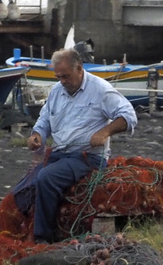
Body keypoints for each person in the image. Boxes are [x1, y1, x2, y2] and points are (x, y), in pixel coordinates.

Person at [21, 47, 136, 242]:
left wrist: (104, 132)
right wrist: (37, 134)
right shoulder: (58, 90)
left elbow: (129, 116)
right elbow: (45, 119)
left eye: (65, 76)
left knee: (46, 178)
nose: (62, 81)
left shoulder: (101, 89)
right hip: (61, 154)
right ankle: (27, 228)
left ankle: (43, 238)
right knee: (24, 186)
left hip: (88, 157)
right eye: (58, 77)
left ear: (80, 69)